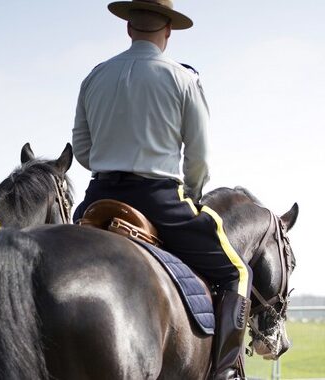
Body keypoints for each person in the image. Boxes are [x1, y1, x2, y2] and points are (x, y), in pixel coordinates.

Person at [71, 1, 251, 379]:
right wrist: (193, 193)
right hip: (159, 199)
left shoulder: (95, 76)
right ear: (168, 30)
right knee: (237, 272)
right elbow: (198, 158)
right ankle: (225, 372)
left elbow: (83, 151)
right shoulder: (183, 78)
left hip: (97, 198)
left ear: (128, 28)